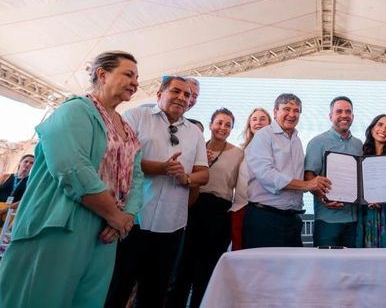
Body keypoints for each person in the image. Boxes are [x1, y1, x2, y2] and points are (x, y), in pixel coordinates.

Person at [0, 51, 143, 308]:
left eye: (137, 77)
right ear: (102, 74)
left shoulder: (128, 130)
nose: (135, 82)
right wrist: (116, 215)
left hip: (107, 231)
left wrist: (126, 217)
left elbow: (137, 176)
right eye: (128, 74)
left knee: (87, 300)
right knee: (42, 297)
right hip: (61, 221)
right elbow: (72, 167)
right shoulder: (75, 110)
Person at [105, 76, 209, 308]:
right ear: (160, 93)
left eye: (187, 95)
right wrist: (161, 168)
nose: (182, 98)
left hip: (172, 224)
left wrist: (186, 177)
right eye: (176, 91)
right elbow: (121, 159)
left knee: (155, 292)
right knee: (117, 287)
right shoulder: (136, 116)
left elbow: (203, 174)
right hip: (131, 219)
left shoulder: (195, 133)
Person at [168, 108, 244, 308]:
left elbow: (240, 187)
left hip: (220, 211)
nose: (222, 128)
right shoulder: (196, 147)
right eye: (219, 123)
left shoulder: (238, 154)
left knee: (208, 268)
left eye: (228, 125)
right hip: (193, 206)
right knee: (184, 265)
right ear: (211, 125)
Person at [243, 93, 331, 248]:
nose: (292, 114)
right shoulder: (264, 136)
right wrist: (308, 184)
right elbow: (267, 175)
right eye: (287, 109)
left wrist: (322, 192)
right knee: (263, 264)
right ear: (275, 111)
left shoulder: (296, 140)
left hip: (291, 221)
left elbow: (300, 178)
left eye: (296, 111)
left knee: (292, 264)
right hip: (265, 219)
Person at [304, 96, 363, 247]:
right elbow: (309, 176)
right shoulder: (317, 142)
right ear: (330, 116)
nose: (344, 115)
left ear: (352, 116)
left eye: (348, 112)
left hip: (355, 221)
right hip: (327, 221)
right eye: (339, 111)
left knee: (355, 262)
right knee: (326, 261)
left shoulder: (359, 145)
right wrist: (323, 197)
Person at [356, 114, 386, 248]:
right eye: (380, 125)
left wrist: (381, 197)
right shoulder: (362, 152)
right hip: (367, 212)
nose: (383, 130)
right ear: (372, 129)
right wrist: (367, 198)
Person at [230, 107, 271, 250]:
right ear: (249, 125)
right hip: (241, 208)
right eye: (254, 119)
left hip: (264, 210)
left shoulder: (275, 149)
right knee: (239, 250)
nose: (258, 122)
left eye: (262, 119)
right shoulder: (240, 151)